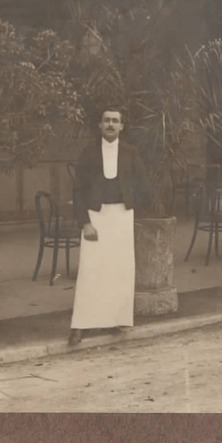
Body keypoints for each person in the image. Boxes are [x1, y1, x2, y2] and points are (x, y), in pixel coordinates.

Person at [70, 108, 149, 345]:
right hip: (96, 215)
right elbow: (78, 190)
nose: (111, 125)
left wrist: (131, 205)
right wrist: (85, 222)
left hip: (122, 214)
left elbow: (142, 184)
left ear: (122, 126)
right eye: (107, 121)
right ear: (100, 125)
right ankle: (80, 325)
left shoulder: (131, 153)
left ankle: (117, 318)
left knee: (121, 269)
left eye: (115, 121)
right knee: (90, 270)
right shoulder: (88, 153)